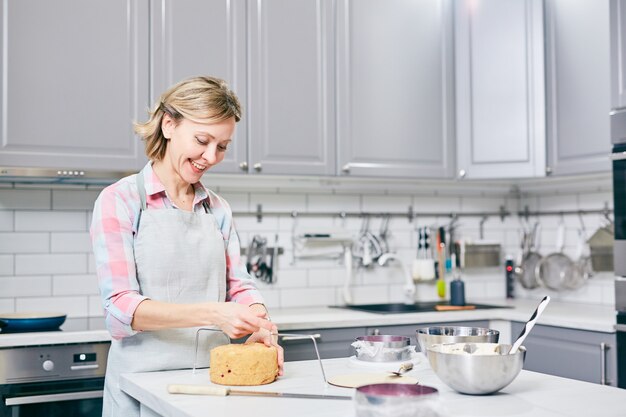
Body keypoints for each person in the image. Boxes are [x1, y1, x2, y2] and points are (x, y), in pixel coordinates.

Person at [90, 76, 283, 417]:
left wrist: (262, 323)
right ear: (168, 124)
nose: (210, 156)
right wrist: (213, 313)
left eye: (222, 146)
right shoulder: (120, 200)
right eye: (202, 140)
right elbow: (121, 312)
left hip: (209, 388)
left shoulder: (218, 209)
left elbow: (239, 285)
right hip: (140, 389)